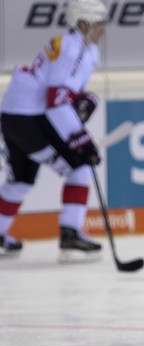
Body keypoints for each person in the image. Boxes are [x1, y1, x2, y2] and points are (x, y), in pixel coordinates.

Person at [0, 0, 105, 261]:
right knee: (80, 168)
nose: (103, 28)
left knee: (20, 182)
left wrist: (84, 99)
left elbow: (63, 94)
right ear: (82, 23)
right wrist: (80, 138)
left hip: (13, 116)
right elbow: (56, 104)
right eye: (98, 22)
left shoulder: (76, 46)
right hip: (31, 119)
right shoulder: (74, 48)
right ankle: (70, 233)